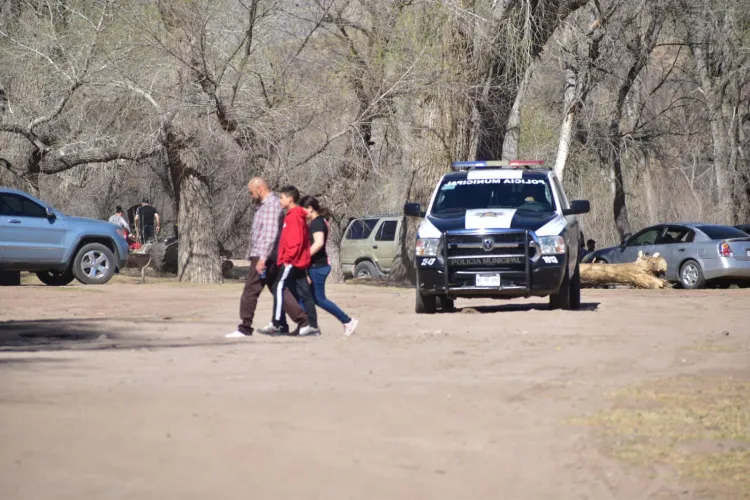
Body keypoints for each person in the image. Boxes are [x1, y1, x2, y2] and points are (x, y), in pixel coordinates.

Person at [226, 178, 309, 338]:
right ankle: (304, 322)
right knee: (279, 289)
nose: (250, 196)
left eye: (251, 192)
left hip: (264, 256)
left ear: (259, 189)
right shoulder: (265, 206)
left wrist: (262, 258)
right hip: (266, 255)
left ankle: (245, 327)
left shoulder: (271, 206)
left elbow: (270, 235)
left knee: (250, 291)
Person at [300, 196, 359, 336]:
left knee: (317, 299)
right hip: (316, 266)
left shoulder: (317, 223)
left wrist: (304, 256)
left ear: (310, 208)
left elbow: (319, 243)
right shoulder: (318, 221)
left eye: (303, 211)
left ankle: (347, 321)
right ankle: (310, 326)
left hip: (317, 267)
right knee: (310, 298)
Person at [273, 186, 320, 337]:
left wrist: (286, 260)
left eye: (281, 197)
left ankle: (279, 323)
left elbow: (295, 241)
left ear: (290, 198)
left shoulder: (294, 216)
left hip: (293, 261)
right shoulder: (292, 215)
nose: (280, 200)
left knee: (279, 288)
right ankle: (309, 327)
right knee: (303, 293)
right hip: (297, 261)